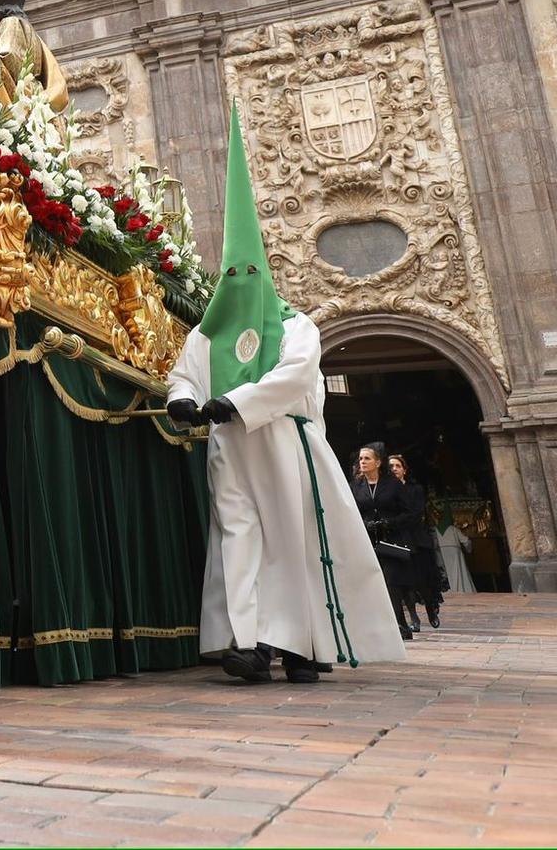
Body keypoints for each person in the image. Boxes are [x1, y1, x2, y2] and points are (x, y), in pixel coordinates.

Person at [165, 104, 405, 684]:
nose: (242, 288)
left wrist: (238, 402)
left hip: (282, 441)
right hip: (228, 447)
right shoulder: (206, 333)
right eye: (233, 278)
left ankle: (299, 643)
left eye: (251, 276)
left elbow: (296, 376)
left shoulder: (297, 325)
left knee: (292, 541)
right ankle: (245, 640)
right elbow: (186, 371)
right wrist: (182, 399)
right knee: (238, 537)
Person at [352, 444, 416, 640]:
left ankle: (399, 624)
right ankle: (374, 625)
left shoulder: (393, 485)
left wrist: (388, 523)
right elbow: (351, 511)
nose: (362, 462)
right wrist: (365, 524)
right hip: (367, 541)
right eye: (361, 459)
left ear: (378, 462)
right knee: (369, 582)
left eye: (367, 459)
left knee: (391, 581)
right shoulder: (355, 486)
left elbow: (410, 513)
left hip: (391, 539)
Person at [0, 0, 69, 113]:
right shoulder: (25, 26)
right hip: (33, 91)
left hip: (23, 93)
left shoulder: (10, 22)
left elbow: (9, 56)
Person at [389, 454, 443, 629]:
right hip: (398, 538)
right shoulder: (387, 491)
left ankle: (430, 610)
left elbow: (416, 512)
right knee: (404, 581)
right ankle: (413, 617)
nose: (394, 469)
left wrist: (396, 520)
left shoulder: (415, 489)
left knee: (423, 579)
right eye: (391, 466)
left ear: (404, 469)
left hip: (417, 538)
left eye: (398, 466)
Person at [437, 517, 476, 594]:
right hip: (455, 553)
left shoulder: (434, 529)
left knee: (445, 572)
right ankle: (459, 589)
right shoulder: (453, 529)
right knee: (457, 571)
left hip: (440, 552)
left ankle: (447, 590)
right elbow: (466, 541)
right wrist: (469, 550)